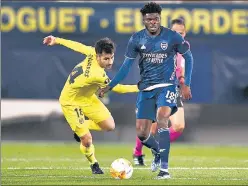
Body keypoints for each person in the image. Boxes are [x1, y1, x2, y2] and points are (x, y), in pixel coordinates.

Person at [99, 2, 193, 179]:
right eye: (149, 19)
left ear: (160, 19)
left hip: (167, 86)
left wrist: (186, 83)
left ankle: (164, 169)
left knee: (163, 118)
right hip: (146, 88)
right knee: (142, 133)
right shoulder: (136, 39)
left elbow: (188, 56)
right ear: (144, 20)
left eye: (155, 19)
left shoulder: (172, 37)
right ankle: (157, 151)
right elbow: (126, 67)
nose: (152, 22)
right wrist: (110, 85)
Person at [43, 36, 139, 174]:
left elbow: (76, 45)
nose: (110, 62)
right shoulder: (96, 75)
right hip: (71, 102)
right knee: (87, 140)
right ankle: (94, 164)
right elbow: (119, 88)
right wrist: (140, 87)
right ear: (98, 56)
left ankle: (82, 127)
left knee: (109, 126)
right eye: (106, 59)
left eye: (111, 57)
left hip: (87, 98)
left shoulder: (92, 52)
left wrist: (57, 40)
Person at [133, 18, 189, 166]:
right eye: (175, 32)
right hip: (155, 88)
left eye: (181, 33)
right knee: (150, 128)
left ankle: (157, 148)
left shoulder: (183, 48)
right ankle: (138, 152)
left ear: (185, 33)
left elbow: (181, 67)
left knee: (179, 126)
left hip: (172, 88)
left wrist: (183, 80)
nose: (178, 35)